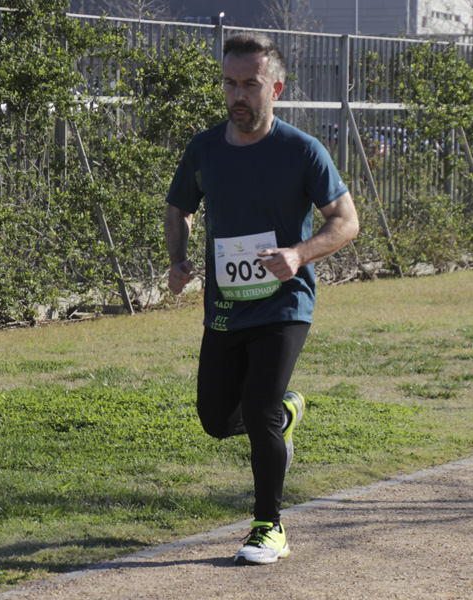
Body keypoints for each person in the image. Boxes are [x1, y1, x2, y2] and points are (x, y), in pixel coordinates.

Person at [164, 32, 359, 566]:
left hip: (284, 302)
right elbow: (179, 209)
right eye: (230, 83)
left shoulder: (302, 150)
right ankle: (286, 409)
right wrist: (178, 259)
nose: (238, 94)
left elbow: (346, 221)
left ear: (275, 86)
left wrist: (298, 255)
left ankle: (268, 527)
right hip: (226, 307)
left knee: (259, 407)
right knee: (215, 419)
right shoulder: (204, 148)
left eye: (250, 84)